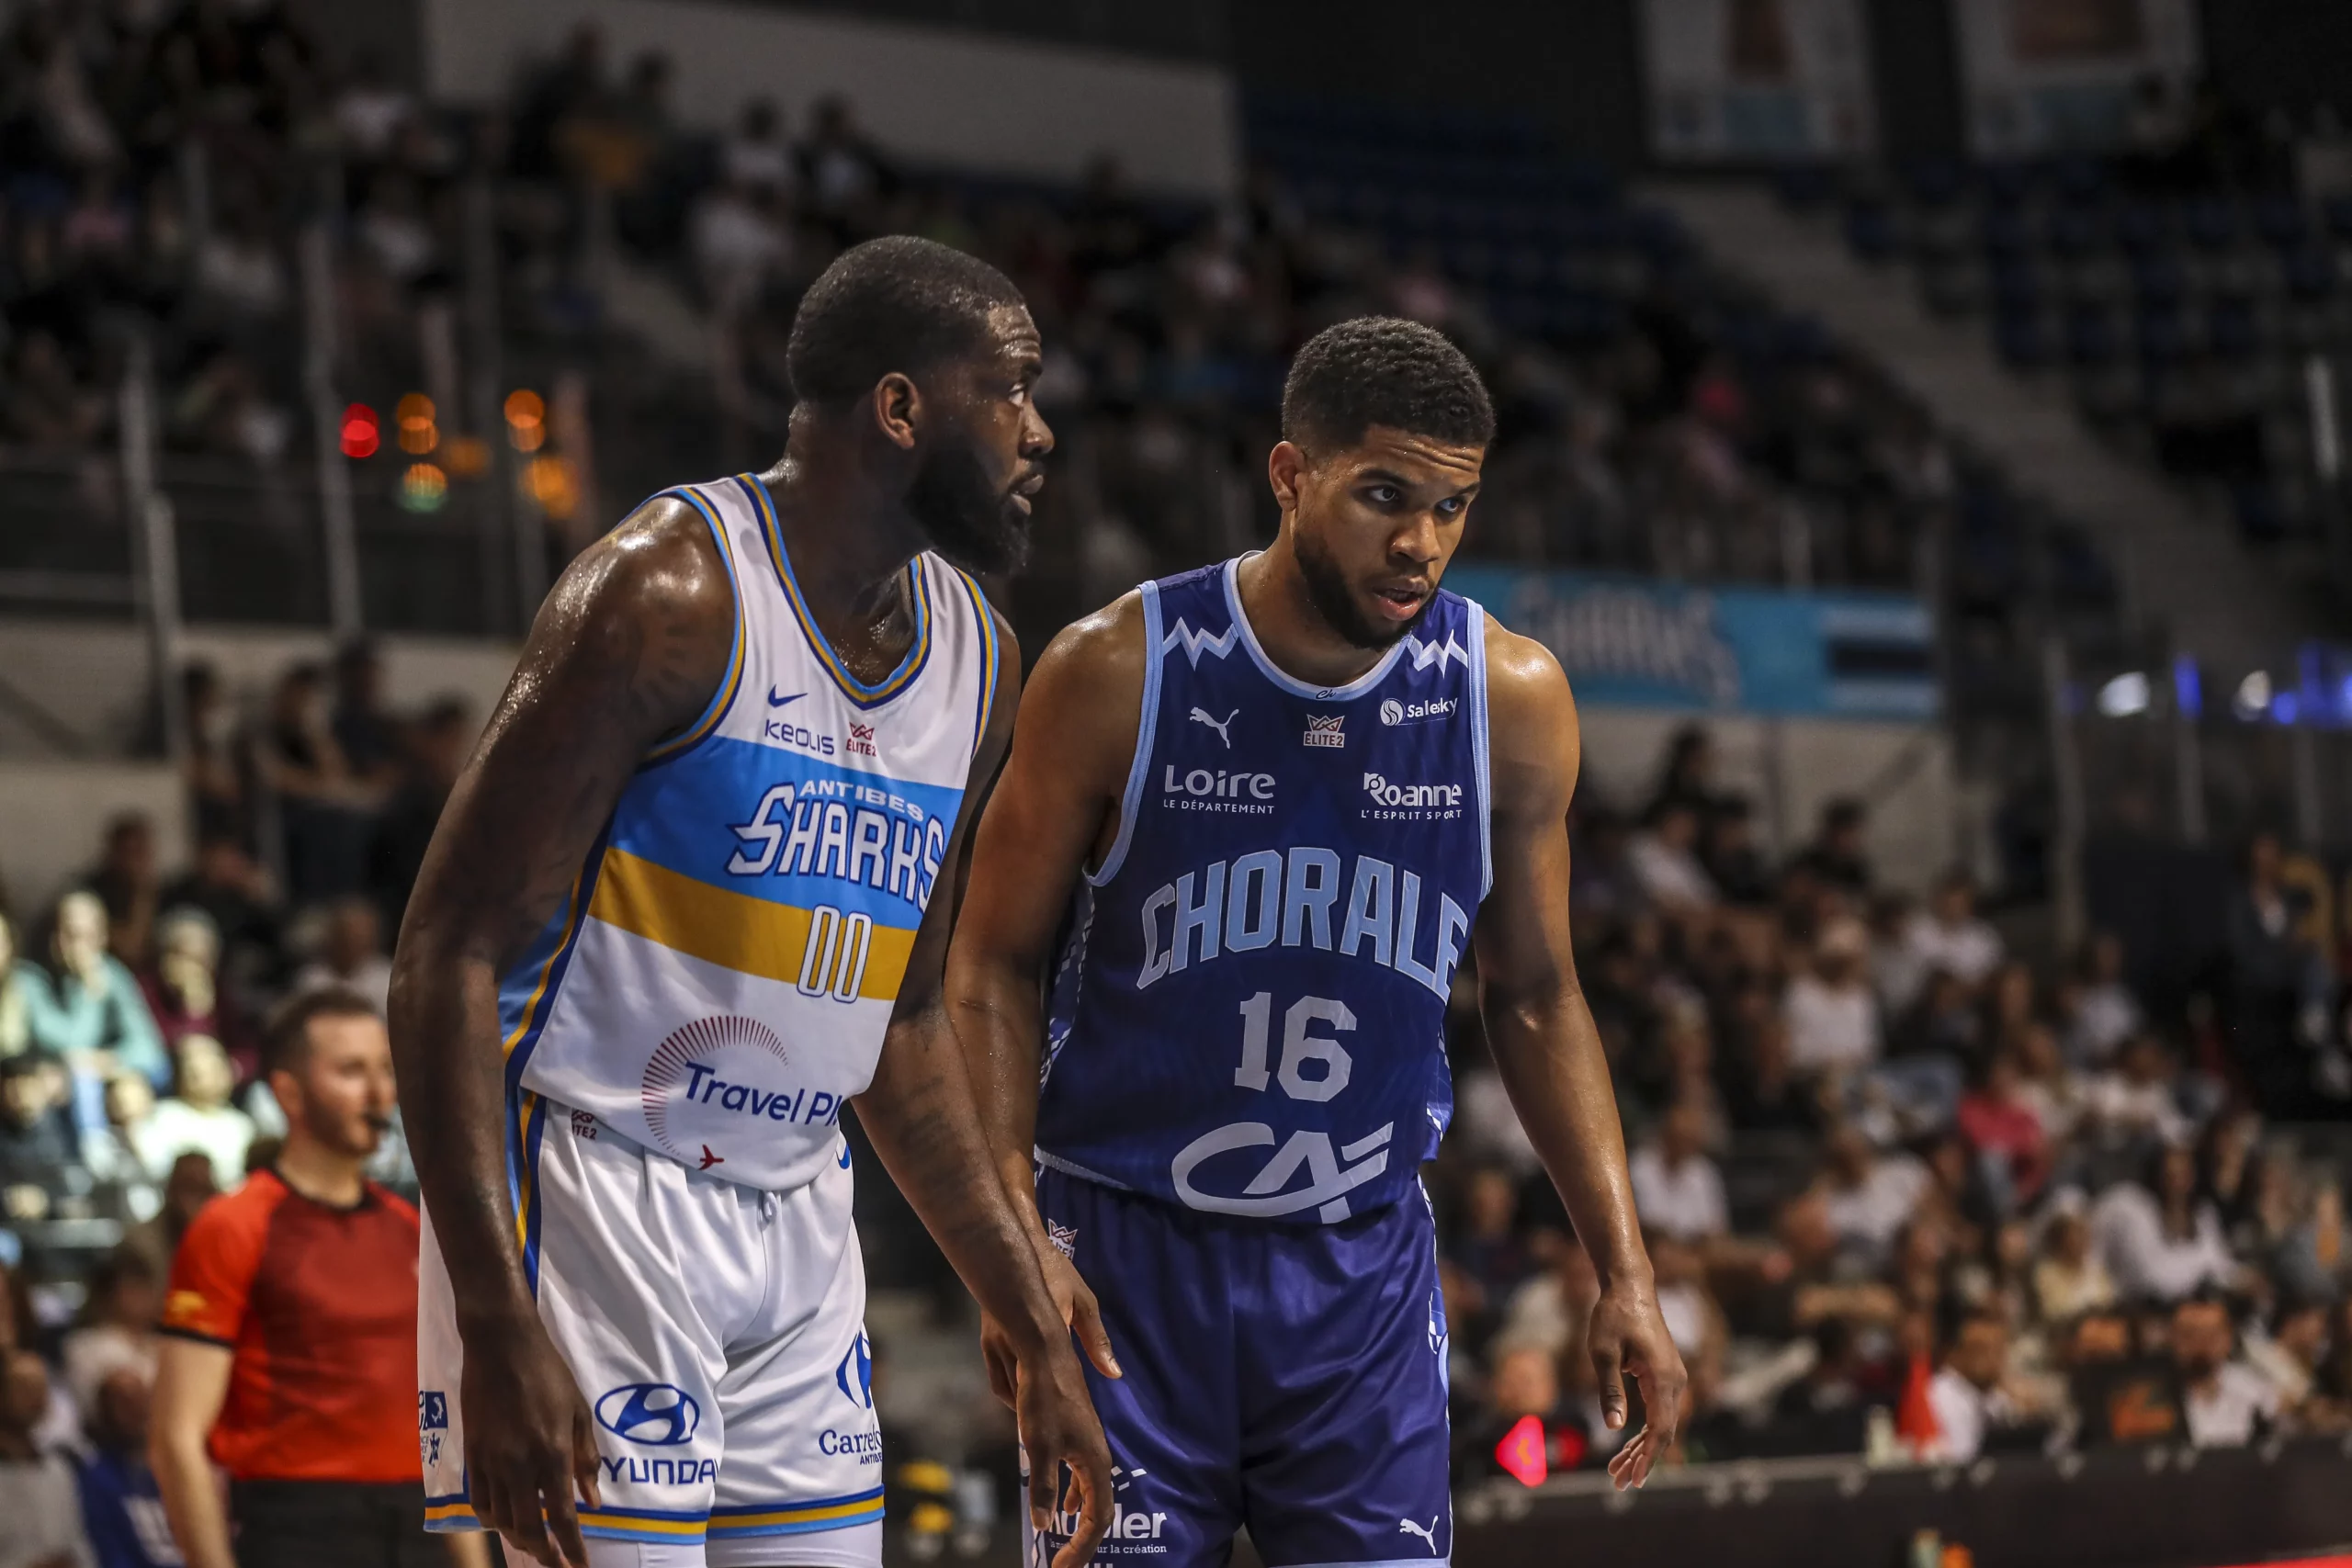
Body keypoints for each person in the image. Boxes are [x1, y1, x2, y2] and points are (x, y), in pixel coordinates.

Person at [387, 236, 1112, 1568]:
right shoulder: (668, 595)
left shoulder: (979, 655)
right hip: (595, 1190)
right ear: (899, 408)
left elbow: (900, 1025)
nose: (1039, 429)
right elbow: (447, 952)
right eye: (1011, 388)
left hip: (799, 1215)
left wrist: (1027, 1318)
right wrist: (493, 1315)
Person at [945, 315, 1687, 1566]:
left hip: (1360, 1268)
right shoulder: (1118, 670)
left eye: (1452, 506)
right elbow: (989, 966)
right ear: (1291, 475)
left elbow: (1537, 994)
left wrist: (1626, 1270)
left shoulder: (1507, 698)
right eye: (1384, 496)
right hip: (1122, 1257)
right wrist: (1008, 1237)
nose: (1420, 543)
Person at [148, 991, 485, 1568]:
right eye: (351, 1071)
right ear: (288, 1093)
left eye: (385, 1070)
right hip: (298, 1528)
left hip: (421, 1525)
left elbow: (441, 1423)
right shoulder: (234, 1225)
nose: (379, 1093)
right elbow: (176, 1437)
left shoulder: (409, 1229)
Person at [74, 1362, 180, 1568]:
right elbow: (110, 1553)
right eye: (125, 1402)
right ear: (106, 1413)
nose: (137, 1409)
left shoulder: (175, 1468)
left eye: (142, 1398)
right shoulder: (97, 1478)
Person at [1, 1346, 96, 1568]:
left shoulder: (59, 1469)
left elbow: (80, 1544)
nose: (35, 1396)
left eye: (41, 1387)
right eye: (23, 1387)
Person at [2173, 1293, 2280, 1448]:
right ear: (2173, 1339)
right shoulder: (2152, 1394)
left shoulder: (2255, 1391)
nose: (2199, 1344)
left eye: (2209, 1336)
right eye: (2189, 1335)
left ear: (2227, 1339)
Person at [1628, 1099, 1728, 1245]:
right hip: (1650, 1247)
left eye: (1689, 1139)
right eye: (1679, 1137)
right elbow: (1644, 1224)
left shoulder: (1704, 1172)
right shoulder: (1640, 1167)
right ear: (1665, 1135)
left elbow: (1715, 1229)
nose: (1684, 1144)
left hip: (1696, 1250)